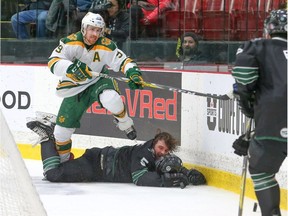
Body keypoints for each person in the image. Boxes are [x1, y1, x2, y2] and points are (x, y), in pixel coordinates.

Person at [47, 12, 145, 163]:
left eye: (98, 30)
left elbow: (123, 61)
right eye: (91, 29)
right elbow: (53, 62)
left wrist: (133, 72)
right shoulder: (70, 42)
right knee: (61, 133)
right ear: (83, 28)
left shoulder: (106, 45)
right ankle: (64, 162)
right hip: (75, 87)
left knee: (111, 99)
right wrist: (70, 68)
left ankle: (125, 124)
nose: (95, 33)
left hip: (98, 80)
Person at [26, 116, 207, 187]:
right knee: (53, 174)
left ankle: (53, 138)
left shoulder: (156, 156)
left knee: (62, 168)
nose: (162, 152)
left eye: (165, 151)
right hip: (95, 164)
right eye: (160, 148)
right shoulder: (144, 152)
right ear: (154, 143)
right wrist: (166, 181)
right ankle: (48, 135)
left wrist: (185, 173)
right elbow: (140, 178)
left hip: (96, 164)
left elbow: (166, 166)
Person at [231, 9, 287, 216]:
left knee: (262, 172)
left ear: (269, 29)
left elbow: (245, 81)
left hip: (273, 123)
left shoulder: (257, 46)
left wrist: (247, 105)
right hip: (275, 120)